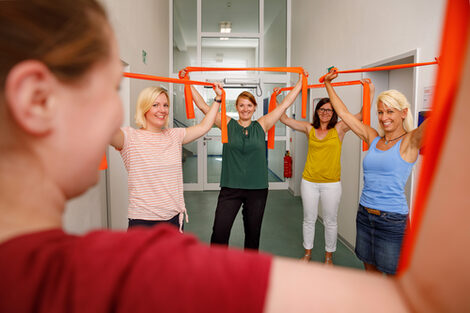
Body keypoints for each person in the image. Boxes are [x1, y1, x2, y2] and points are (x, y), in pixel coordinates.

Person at [1, 0, 469, 312]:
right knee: (223, 231)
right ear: (38, 101)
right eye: (109, 88)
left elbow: (223, 117)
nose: (117, 112)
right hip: (205, 200)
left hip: (242, 195)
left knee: (254, 233)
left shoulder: (78, 269)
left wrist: (300, 90)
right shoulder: (122, 265)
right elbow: (420, 300)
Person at [323, 70, 426, 275]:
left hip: (392, 220)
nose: (384, 117)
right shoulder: (374, 138)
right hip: (364, 214)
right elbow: (343, 114)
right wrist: (328, 84)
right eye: (380, 112)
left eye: (390, 112)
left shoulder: (410, 141)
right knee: (370, 272)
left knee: (394, 278)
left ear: (403, 113)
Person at [187, 76, 303, 250]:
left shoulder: (262, 124)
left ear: (254, 107)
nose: (245, 109)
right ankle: (216, 269)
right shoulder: (227, 124)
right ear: (236, 107)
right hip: (230, 188)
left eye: (249, 105)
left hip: (257, 189)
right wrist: (188, 80)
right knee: (219, 232)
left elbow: (284, 104)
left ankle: (249, 271)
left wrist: (301, 82)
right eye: (241, 105)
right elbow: (203, 106)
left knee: (253, 235)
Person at [279, 81, 374, 264]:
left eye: (329, 110)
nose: (325, 113)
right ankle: (307, 254)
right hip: (309, 181)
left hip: (331, 183)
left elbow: (362, 115)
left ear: (334, 113)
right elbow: (283, 118)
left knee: (330, 221)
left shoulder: (339, 128)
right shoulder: (309, 128)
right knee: (309, 219)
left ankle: (328, 256)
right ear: (317, 111)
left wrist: (369, 90)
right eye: (321, 109)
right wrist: (278, 97)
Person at [110, 83, 222, 231]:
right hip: (143, 220)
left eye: (165, 105)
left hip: (173, 219)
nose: (162, 110)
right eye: (155, 105)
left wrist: (218, 99)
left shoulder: (174, 135)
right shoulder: (129, 137)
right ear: (144, 107)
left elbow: (204, 126)